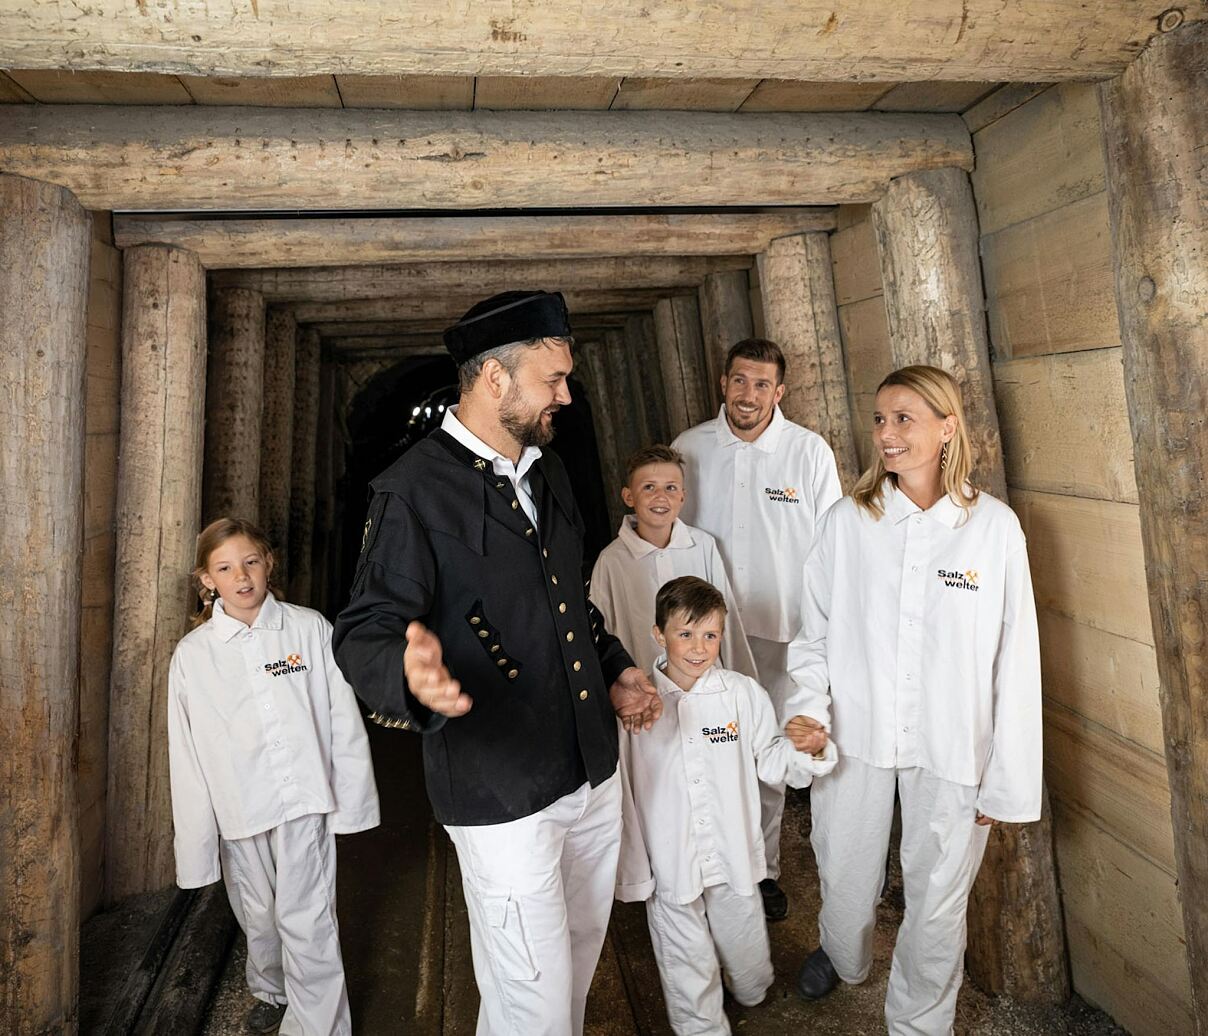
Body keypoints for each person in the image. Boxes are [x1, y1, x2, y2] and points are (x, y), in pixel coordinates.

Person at [332, 290, 662, 1036]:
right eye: (553, 379)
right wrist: (408, 674)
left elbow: (569, 599)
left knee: (568, 975)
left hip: (588, 768)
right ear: (493, 380)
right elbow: (365, 630)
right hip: (500, 793)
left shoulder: (545, 472)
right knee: (535, 1003)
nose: (566, 395)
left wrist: (613, 666)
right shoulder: (411, 491)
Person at [784, 365, 1043, 1035]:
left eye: (904, 418)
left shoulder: (993, 530)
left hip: (953, 747)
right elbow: (812, 632)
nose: (887, 434)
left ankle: (919, 1024)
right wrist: (808, 708)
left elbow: (1015, 661)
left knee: (936, 905)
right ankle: (843, 957)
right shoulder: (848, 523)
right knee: (843, 874)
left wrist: (1005, 779)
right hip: (857, 738)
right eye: (879, 419)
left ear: (947, 427)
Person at [168, 517, 380, 1036]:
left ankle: (318, 1026)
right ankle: (271, 987)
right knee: (260, 916)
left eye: (251, 562)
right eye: (225, 568)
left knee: (306, 919)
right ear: (206, 580)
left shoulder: (308, 629)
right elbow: (187, 754)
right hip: (240, 810)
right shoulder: (193, 657)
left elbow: (341, 720)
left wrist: (349, 801)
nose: (241, 576)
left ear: (269, 564)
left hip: (303, 799)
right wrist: (197, 843)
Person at [616, 577, 836, 1035]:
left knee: (750, 961)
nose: (699, 648)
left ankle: (751, 989)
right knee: (686, 963)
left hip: (733, 853)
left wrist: (807, 749)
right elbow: (625, 793)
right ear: (659, 634)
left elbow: (773, 762)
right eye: (685, 634)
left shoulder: (742, 695)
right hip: (673, 861)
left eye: (710, 635)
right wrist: (635, 869)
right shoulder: (636, 709)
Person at [673, 338, 841, 920]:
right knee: (703, 748)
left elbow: (830, 546)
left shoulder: (808, 453)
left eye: (762, 384)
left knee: (766, 750)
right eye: (740, 381)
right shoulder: (688, 450)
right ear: (724, 382)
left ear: (780, 391)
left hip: (780, 635)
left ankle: (763, 870)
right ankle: (702, 867)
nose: (750, 395)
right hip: (703, 638)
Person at [590, 443, 757, 679]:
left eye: (670, 488)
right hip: (647, 692)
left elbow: (727, 624)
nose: (661, 497)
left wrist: (746, 685)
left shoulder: (702, 546)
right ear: (628, 496)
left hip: (708, 687)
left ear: (682, 496)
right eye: (649, 487)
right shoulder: (611, 561)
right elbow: (600, 636)